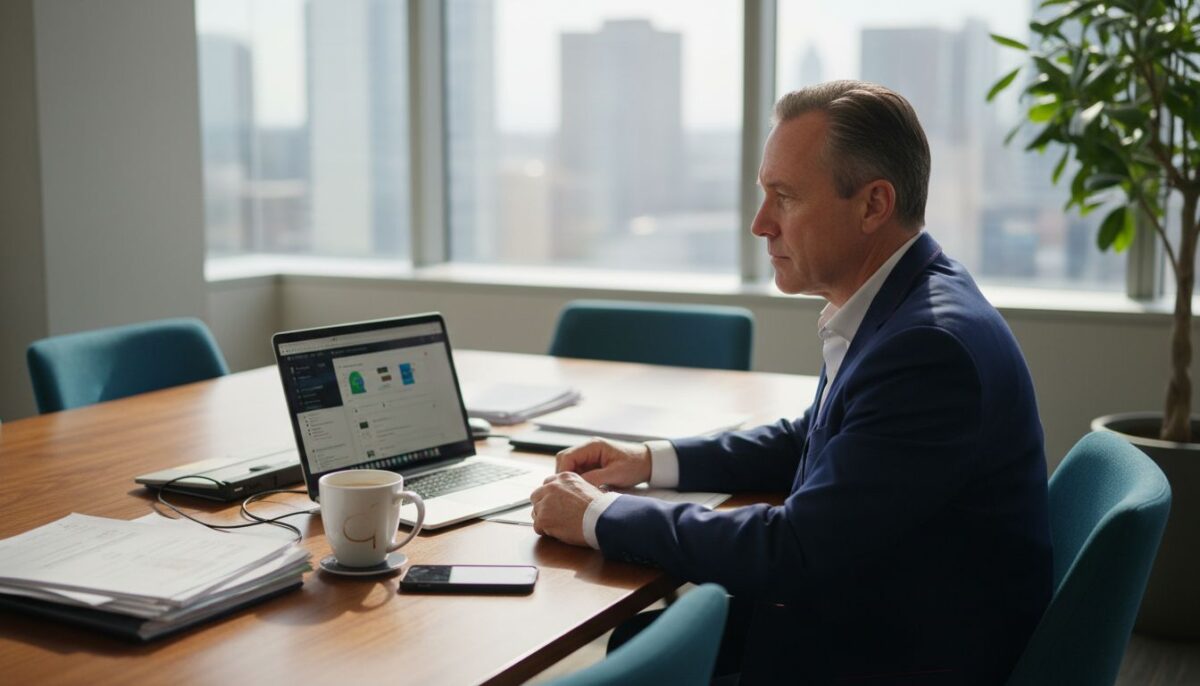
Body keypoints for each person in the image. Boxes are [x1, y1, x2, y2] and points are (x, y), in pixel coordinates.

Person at [529, 80, 1052, 684]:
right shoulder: (904, 300)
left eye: (785, 197)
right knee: (643, 641)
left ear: (873, 205)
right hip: (879, 618)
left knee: (646, 653)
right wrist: (647, 461)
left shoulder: (927, 348)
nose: (760, 224)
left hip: (894, 658)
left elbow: (797, 550)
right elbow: (812, 437)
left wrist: (602, 515)